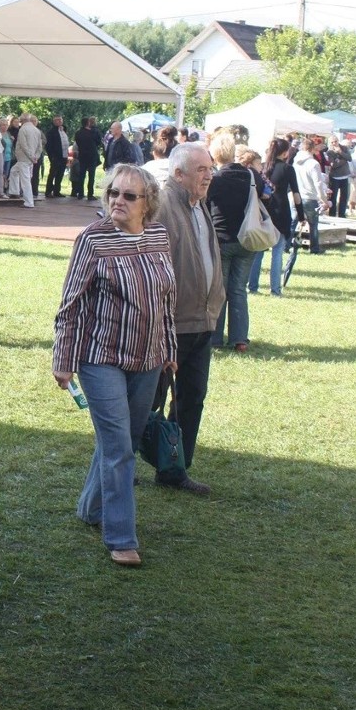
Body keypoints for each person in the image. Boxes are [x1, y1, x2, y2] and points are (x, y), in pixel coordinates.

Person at [53, 164, 177, 567]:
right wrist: (63, 359)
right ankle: (121, 537)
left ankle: (91, 507)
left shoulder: (159, 235)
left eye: (129, 196)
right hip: (100, 356)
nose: (118, 202)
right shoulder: (93, 239)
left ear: (148, 203)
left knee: (121, 438)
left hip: (149, 358)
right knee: (120, 446)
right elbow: (70, 304)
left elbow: (167, 300)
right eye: (113, 195)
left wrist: (170, 347)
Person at [154, 144, 225, 497]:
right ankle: (119, 461)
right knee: (148, 400)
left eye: (209, 168)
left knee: (192, 397)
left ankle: (176, 468)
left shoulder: (200, 207)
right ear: (178, 174)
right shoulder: (163, 205)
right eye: (200, 169)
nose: (208, 175)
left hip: (203, 321)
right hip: (171, 324)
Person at [206, 131, 262, 352]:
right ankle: (239, 338)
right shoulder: (249, 175)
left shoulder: (215, 179)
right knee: (238, 289)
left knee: (219, 289)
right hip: (247, 238)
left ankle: (216, 337)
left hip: (221, 239)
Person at [248, 138, 304, 296]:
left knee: (258, 251)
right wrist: (301, 215)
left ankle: (252, 286)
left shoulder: (263, 167)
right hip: (281, 211)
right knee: (277, 252)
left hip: (264, 212)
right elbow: (296, 194)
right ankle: (275, 289)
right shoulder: (287, 169)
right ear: (286, 152)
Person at [292, 136, 330, 253]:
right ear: (312, 148)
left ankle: (287, 245)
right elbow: (318, 183)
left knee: (293, 223)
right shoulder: (313, 163)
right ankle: (314, 248)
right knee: (313, 225)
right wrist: (324, 200)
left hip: (297, 195)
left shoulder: (295, 162)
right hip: (310, 197)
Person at [12, 112, 42, 208]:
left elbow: (23, 145)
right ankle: (14, 191)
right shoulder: (36, 130)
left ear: (23, 121)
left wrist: (31, 157)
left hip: (24, 158)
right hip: (30, 158)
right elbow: (40, 147)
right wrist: (35, 156)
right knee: (13, 171)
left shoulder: (23, 129)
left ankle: (29, 202)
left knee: (26, 180)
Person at [74, 116, 101, 200]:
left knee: (82, 175)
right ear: (88, 123)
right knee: (91, 175)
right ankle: (90, 194)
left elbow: (77, 142)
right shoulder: (93, 132)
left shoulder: (78, 133)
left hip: (82, 156)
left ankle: (80, 193)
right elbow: (98, 142)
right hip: (92, 156)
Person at [325, 136, 352, 218]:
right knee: (333, 197)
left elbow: (350, 158)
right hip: (335, 177)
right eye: (332, 142)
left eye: (335, 141)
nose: (334, 143)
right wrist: (344, 160)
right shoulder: (329, 151)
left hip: (344, 176)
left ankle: (342, 214)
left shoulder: (344, 148)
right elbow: (333, 165)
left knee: (344, 197)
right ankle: (332, 214)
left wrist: (340, 152)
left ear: (338, 140)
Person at [44, 115, 70, 198]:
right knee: (53, 174)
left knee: (60, 174)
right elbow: (48, 146)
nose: (60, 121)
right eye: (57, 120)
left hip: (64, 155)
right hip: (56, 156)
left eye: (61, 120)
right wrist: (51, 156)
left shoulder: (63, 130)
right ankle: (48, 191)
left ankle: (57, 191)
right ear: (54, 121)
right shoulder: (51, 132)